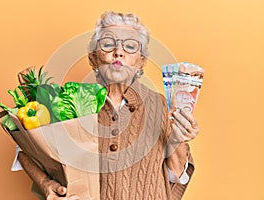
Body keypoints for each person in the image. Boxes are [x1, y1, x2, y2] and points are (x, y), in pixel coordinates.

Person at [16, 11, 199, 200]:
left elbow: (175, 175)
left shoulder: (161, 104)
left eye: (130, 46)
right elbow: (27, 150)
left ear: (141, 62)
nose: (118, 52)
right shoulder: (71, 99)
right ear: (93, 58)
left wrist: (178, 140)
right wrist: (46, 184)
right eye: (108, 44)